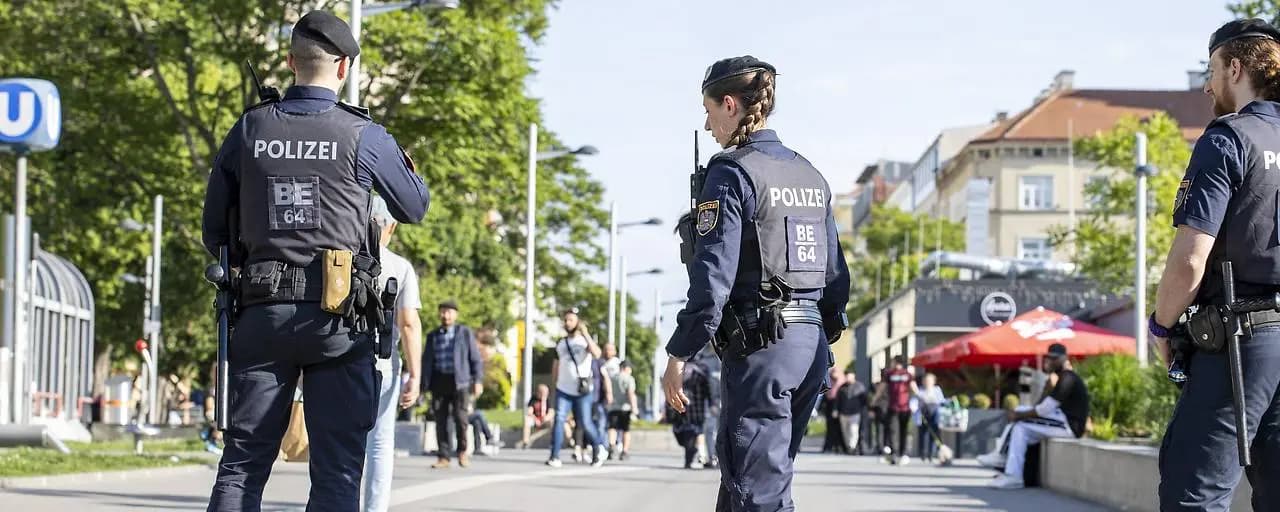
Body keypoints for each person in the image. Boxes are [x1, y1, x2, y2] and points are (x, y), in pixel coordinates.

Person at [201, 10, 429, 511]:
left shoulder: (250, 128)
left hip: (262, 314)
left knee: (241, 466)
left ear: (290, 62)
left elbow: (213, 230)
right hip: (339, 322)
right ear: (344, 67)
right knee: (338, 471)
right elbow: (414, 205)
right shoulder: (363, 135)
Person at [662, 56, 851, 511]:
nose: (708, 126)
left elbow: (713, 280)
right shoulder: (810, 174)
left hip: (761, 347)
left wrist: (679, 352)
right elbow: (836, 277)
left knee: (757, 493)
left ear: (729, 105)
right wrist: (815, 339)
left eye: (709, 112)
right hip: (809, 348)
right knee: (748, 483)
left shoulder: (732, 171)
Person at [1149, 19, 1280, 510]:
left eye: (1211, 70)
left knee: (1194, 493)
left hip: (1243, 343)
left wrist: (1162, 327)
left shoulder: (1230, 139)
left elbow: (1190, 258)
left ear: (1235, 66)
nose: (1207, 85)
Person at [361, 197, 423, 512]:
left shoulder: (339, 260)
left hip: (338, 361)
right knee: (380, 444)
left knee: (339, 441)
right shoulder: (399, 267)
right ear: (392, 226)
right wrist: (415, 374)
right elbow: (409, 324)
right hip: (383, 364)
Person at [979, 344, 1088, 489]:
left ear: (1064, 358)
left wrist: (1019, 415)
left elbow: (1044, 409)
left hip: (1069, 426)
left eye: (1054, 359)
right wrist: (1046, 389)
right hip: (1061, 421)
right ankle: (1013, 476)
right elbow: (1040, 406)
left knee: (1020, 418)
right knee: (1020, 429)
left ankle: (1001, 456)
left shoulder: (1068, 377)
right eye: (1049, 358)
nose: (1050, 361)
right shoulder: (1059, 378)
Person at [421, 300, 483, 469]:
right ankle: (444, 456)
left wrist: (477, 380)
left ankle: (462, 452)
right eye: (442, 312)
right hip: (439, 381)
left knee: (461, 418)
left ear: (455, 315)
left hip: (460, 381)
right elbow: (426, 362)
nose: (445, 315)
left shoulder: (464, 333)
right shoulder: (433, 336)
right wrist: (423, 385)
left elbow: (475, 358)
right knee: (441, 420)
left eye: (449, 312)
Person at [548, 308, 606, 467]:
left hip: (582, 391)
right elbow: (556, 366)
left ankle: (597, 448)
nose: (567, 323)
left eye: (571, 320)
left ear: (577, 322)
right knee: (559, 420)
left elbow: (597, 353)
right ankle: (555, 456)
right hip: (563, 389)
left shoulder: (584, 341)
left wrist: (586, 334)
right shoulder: (560, 343)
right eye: (565, 320)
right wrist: (554, 387)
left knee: (585, 423)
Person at [871, 356, 918, 465]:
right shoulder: (907, 375)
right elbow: (914, 389)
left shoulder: (890, 374)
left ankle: (895, 454)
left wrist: (874, 400)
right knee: (902, 431)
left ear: (895, 362)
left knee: (894, 431)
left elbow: (881, 388)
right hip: (904, 407)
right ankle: (902, 453)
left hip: (894, 407)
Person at [678, 360, 714, 469]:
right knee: (697, 431)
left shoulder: (681, 369)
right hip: (698, 408)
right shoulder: (701, 370)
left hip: (684, 408)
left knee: (689, 433)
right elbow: (708, 389)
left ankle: (690, 458)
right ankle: (699, 455)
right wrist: (711, 403)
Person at [607, 361, 639, 461]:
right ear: (626, 368)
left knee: (612, 428)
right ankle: (624, 452)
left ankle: (612, 447)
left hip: (613, 407)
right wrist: (634, 408)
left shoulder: (612, 378)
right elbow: (631, 393)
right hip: (625, 408)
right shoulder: (629, 379)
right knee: (626, 430)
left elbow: (608, 391)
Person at [914, 373, 945, 463]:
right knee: (922, 434)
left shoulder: (937, 390)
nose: (927, 382)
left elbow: (941, 400)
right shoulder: (920, 390)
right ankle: (922, 453)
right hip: (923, 414)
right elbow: (915, 401)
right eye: (926, 381)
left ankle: (931, 454)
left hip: (934, 414)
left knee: (933, 435)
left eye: (929, 381)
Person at [836, 371, 867, 455]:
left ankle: (852, 447)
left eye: (849, 376)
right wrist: (836, 410)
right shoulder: (842, 388)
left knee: (854, 430)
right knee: (845, 432)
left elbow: (864, 400)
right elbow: (838, 400)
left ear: (854, 376)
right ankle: (848, 446)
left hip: (855, 412)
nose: (848, 378)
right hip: (843, 413)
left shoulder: (859, 387)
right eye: (847, 376)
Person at [820, 368, 847, 454]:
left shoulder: (840, 382)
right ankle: (829, 447)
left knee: (839, 428)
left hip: (839, 404)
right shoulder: (830, 380)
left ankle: (839, 447)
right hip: (830, 404)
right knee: (830, 428)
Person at [522, 383, 555, 448]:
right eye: (543, 392)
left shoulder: (548, 400)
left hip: (545, 420)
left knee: (552, 422)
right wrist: (536, 419)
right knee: (527, 420)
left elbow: (551, 412)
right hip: (535, 419)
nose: (545, 393)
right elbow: (529, 411)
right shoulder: (533, 399)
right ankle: (525, 442)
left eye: (546, 392)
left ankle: (553, 442)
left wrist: (546, 418)